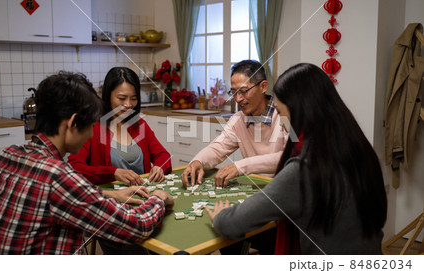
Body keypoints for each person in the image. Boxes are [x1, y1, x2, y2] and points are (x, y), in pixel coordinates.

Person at [0, 71, 173, 255]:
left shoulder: (9, 155)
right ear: (73, 122)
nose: (91, 132)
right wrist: (159, 198)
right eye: (91, 124)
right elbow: (137, 227)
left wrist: (110, 194)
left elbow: (54, 196)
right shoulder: (58, 177)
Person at [206, 63, 388, 254]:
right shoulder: (359, 149)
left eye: (282, 112)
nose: (282, 124)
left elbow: (232, 224)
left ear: (299, 111)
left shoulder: (304, 168)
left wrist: (220, 216)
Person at [181, 60, 287, 188]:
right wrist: (198, 161)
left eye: (243, 91)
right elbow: (217, 149)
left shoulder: (285, 115)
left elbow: (288, 157)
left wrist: (240, 166)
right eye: (234, 92)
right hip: (255, 187)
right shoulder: (238, 119)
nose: (238, 99)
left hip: (283, 188)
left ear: (263, 87)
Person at [68, 67, 172, 186]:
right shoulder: (92, 127)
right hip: (110, 199)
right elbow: (74, 167)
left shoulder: (140, 125)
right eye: (122, 98)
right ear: (108, 96)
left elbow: (163, 155)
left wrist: (159, 167)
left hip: (144, 195)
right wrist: (113, 173)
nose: (128, 105)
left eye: (133, 99)